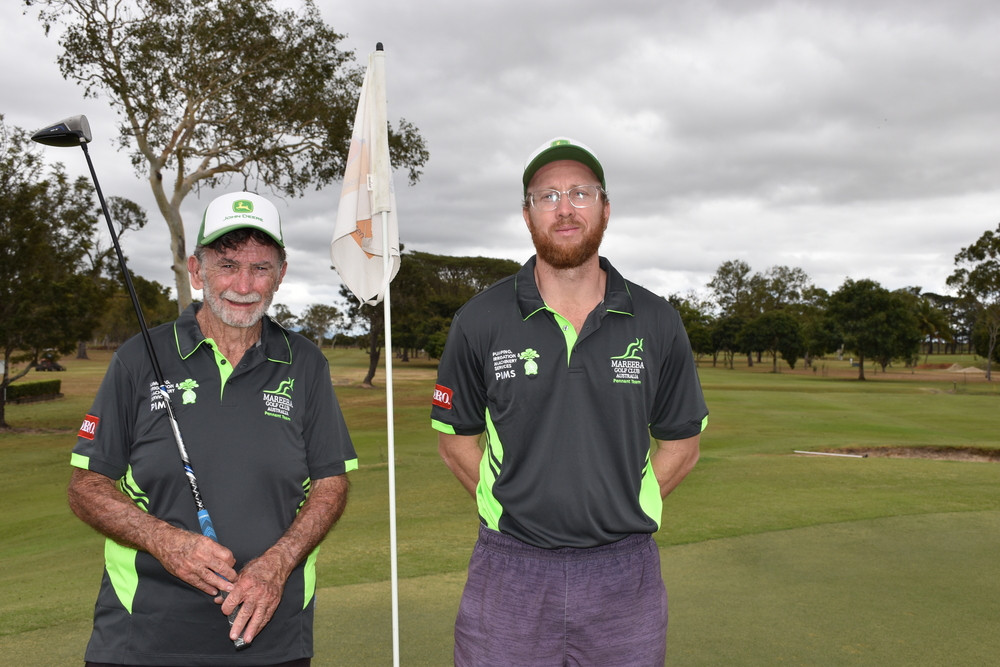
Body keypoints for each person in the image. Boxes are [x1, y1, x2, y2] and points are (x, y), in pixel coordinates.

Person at [431, 137, 709, 665]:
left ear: (605, 208)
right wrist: (517, 510)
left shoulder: (656, 320)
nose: (564, 208)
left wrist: (625, 505)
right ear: (527, 214)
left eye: (580, 193)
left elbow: (682, 443)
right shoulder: (480, 319)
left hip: (624, 574)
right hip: (510, 569)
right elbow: (455, 440)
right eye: (547, 195)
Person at [69, 191, 358, 667]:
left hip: (272, 629)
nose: (243, 284)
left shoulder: (305, 362)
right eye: (226, 265)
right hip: (143, 633)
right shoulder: (139, 358)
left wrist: (278, 562)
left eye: (260, 267)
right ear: (197, 270)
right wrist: (165, 540)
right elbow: (86, 486)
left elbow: (331, 483)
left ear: (280, 275)